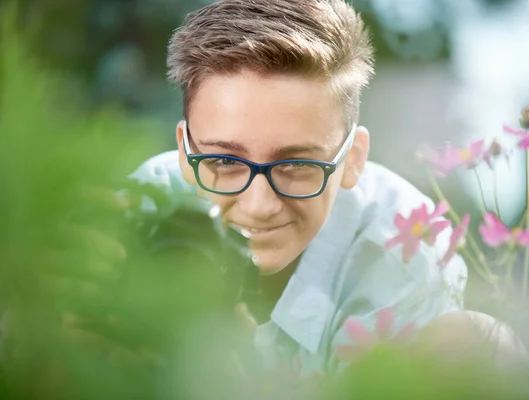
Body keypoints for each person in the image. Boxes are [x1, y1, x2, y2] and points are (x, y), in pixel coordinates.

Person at [129, 0, 471, 376]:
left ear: (353, 159)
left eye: (296, 164)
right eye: (224, 162)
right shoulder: (146, 208)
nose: (259, 205)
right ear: (184, 152)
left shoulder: (403, 259)